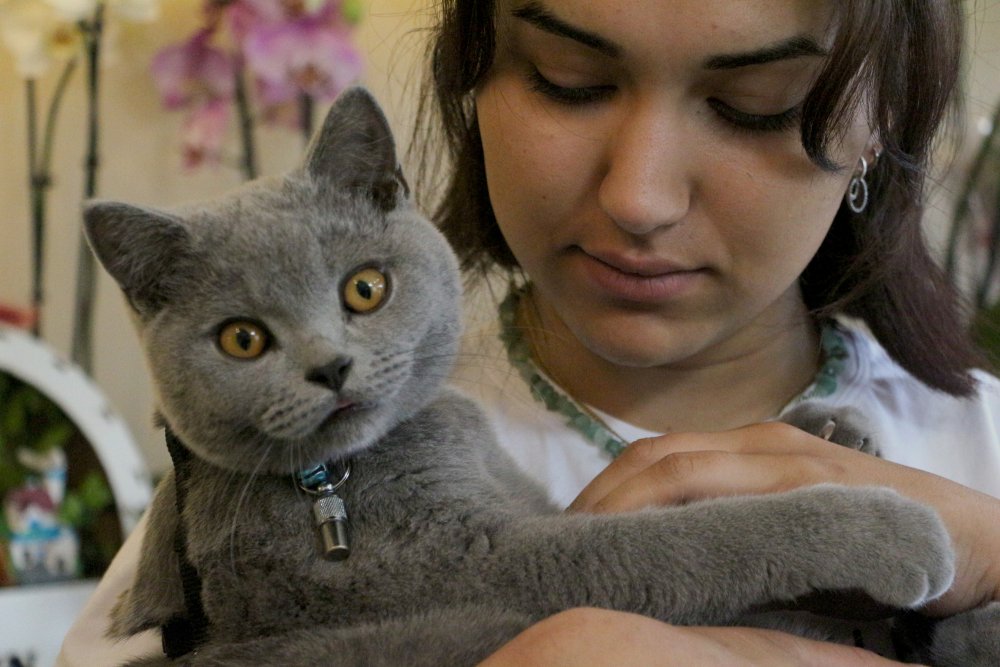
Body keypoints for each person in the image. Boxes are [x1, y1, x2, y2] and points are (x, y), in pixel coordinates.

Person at [59, 0, 1000, 664]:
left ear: (878, 122)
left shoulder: (981, 447)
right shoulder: (265, 473)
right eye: (571, 82)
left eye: (755, 104)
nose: (639, 196)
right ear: (468, 81)